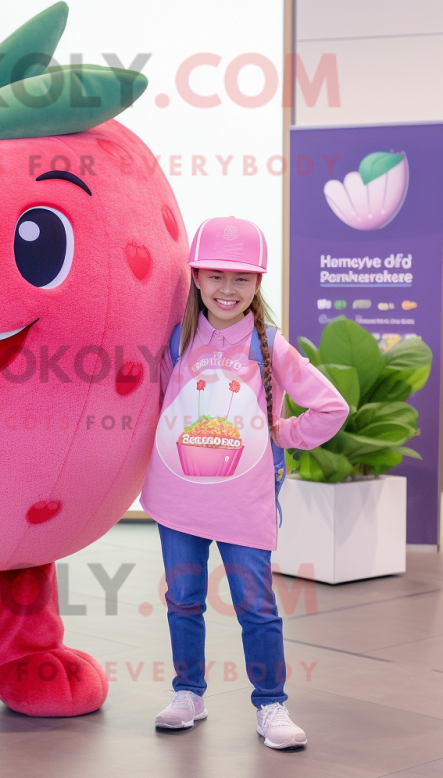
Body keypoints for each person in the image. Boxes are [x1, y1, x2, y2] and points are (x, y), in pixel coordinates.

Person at [140, 216, 348, 749]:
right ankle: (189, 692)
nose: (226, 289)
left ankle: (271, 703)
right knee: (183, 600)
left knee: (256, 607)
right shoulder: (176, 339)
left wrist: (285, 433)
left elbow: (330, 406)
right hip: (178, 499)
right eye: (215, 276)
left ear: (257, 285)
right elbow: (159, 408)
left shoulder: (268, 344)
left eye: (241, 278)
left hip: (243, 504)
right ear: (196, 278)